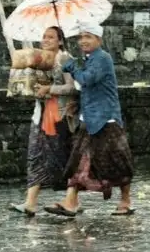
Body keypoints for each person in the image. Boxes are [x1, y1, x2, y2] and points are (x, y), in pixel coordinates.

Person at [46, 22, 136, 218]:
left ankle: (126, 200)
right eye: (80, 37)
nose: (83, 41)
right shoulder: (85, 60)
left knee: (118, 161)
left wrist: (72, 68)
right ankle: (71, 201)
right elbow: (83, 88)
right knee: (80, 160)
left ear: (99, 40)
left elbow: (87, 80)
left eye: (88, 37)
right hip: (88, 118)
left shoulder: (103, 58)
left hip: (106, 118)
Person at [11, 26, 76, 217]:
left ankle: (73, 199)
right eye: (44, 37)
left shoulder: (64, 59)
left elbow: (72, 88)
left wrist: (50, 89)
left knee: (62, 157)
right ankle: (30, 202)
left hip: (60, 115)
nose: (46, 40)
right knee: (35, 154)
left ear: (60, 41)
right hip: (41, 113)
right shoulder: (41, 59)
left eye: (51, 37)